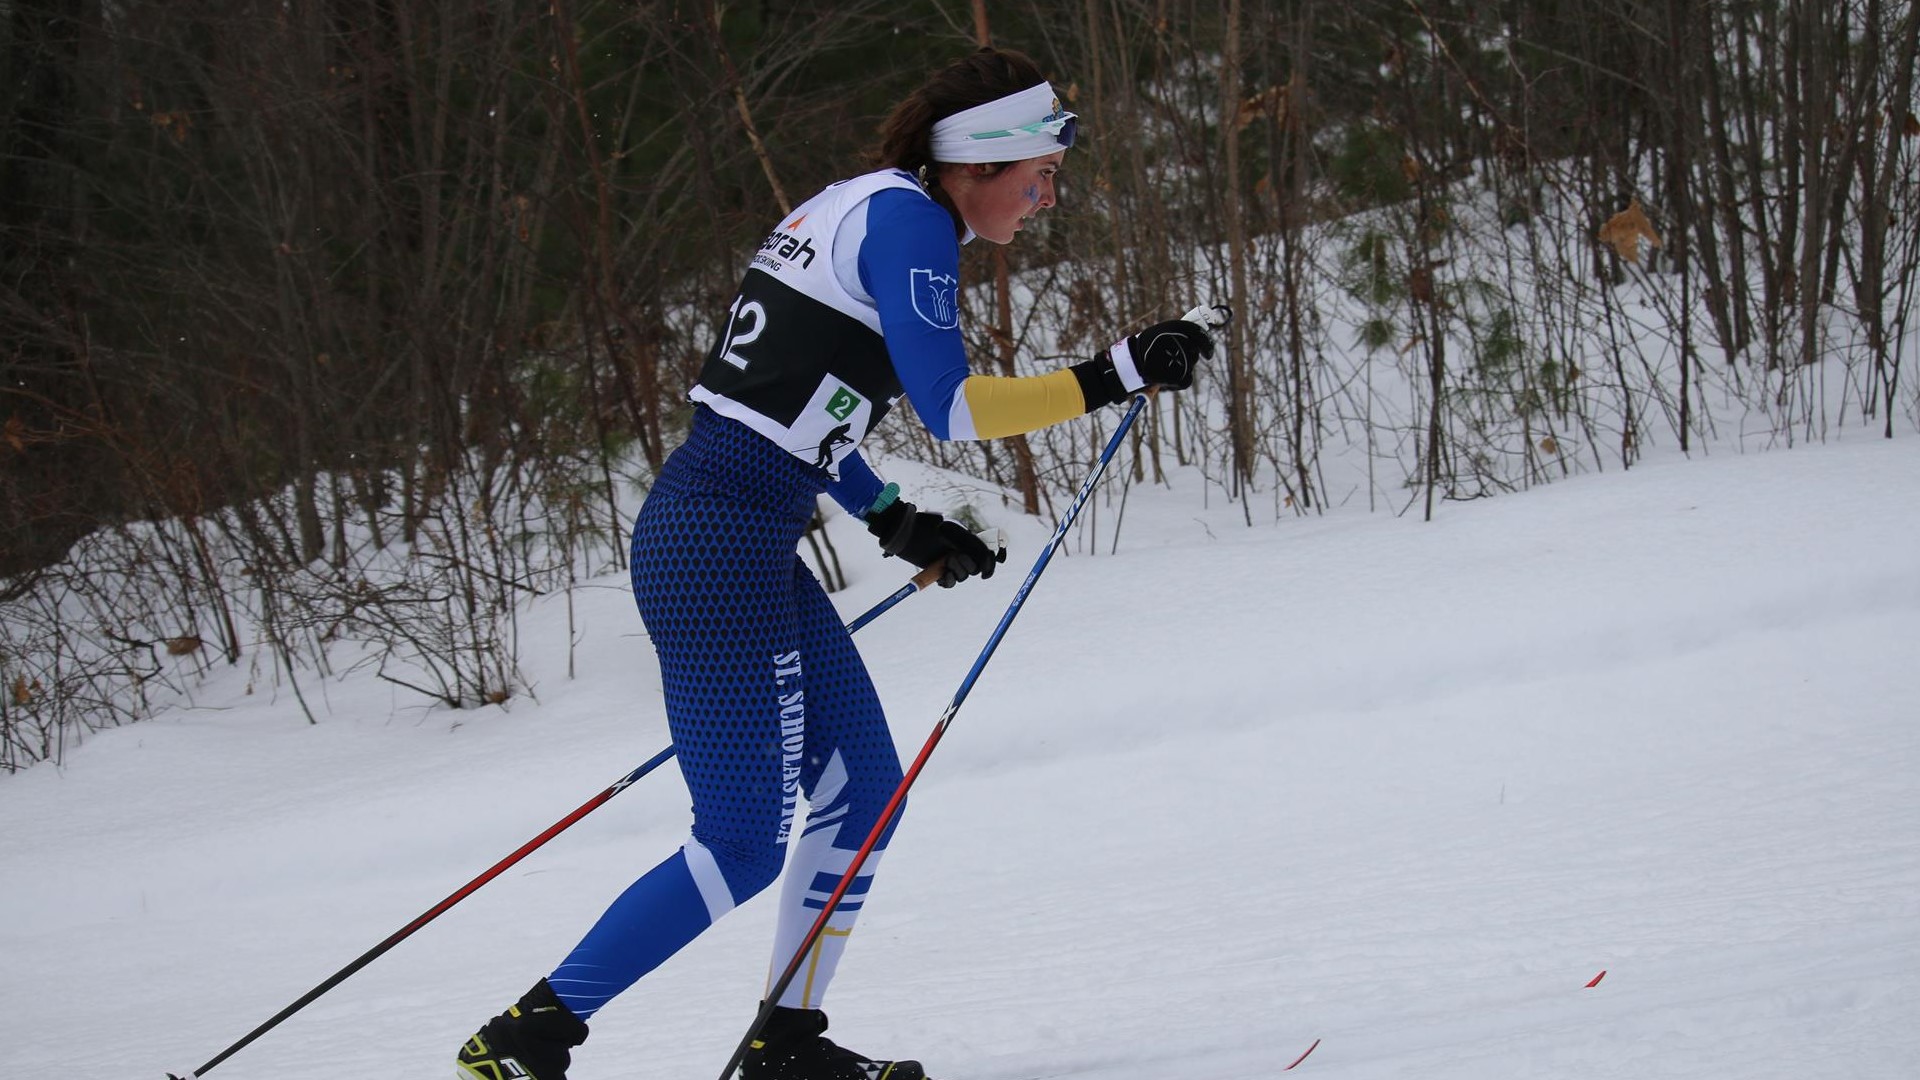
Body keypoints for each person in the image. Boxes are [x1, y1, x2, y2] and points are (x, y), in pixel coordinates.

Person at [455, 46, 1217, 1080]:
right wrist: (1116, 371)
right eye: (1039, 170)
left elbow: (791, 407)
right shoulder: (910, 224)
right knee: (740, 841)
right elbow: (949, 407)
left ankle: (786, 1047)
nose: (1047, 195)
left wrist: (894, 522)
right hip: (719, 548)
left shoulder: (864, 204)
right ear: (977, 164)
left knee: (865, 796)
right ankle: (527, 1038)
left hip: (737, 538)